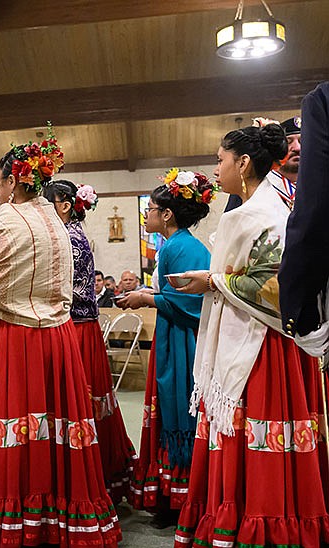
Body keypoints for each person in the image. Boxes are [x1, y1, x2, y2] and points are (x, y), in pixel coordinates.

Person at [0, 135, 120, 547]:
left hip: (18, 337)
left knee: (17, 425)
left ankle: (13, 515)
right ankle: (60, 515)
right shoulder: (56, 221)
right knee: (56, 425)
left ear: (13, 181)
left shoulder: (10, 219)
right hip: (58, 336)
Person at [171, 124, 329, 548]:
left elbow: (272, 287)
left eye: (220, 159)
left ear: (243, 163)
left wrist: (211, 280)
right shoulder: (277, 199)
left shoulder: (254, 213)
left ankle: (259, 522)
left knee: (254, 437)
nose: (216, 167)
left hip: (261, 345)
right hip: (275, 341)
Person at [115, 169, 214, 526]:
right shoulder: (176, 244)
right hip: (172, 333)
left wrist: (146, 298)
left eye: (151, 208)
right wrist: (148, 295)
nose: (147, 215)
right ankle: (172, 493)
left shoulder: (180, 246)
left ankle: (180, 497)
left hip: (182, 338)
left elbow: (190, 303)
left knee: (179, 408)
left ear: (167, 214)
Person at [44, 180, 136, 504]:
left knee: (76, 404)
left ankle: (82, 475)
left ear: (66, 205)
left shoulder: (68, 239)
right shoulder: (76, 234)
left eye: (48, 203)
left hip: (77, 329)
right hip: (84, 326)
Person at [280, 84, 329, 349]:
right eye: (289, 142)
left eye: (303, 139)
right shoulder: (267, 189)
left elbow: (313, 216)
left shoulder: (322, 100)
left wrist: (297, 307)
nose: (298, 148)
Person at [224, 115, 300, 212]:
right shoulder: (252, 182)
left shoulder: (316, 185)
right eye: (289, 142)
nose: (297, 148)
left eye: (302, 141)